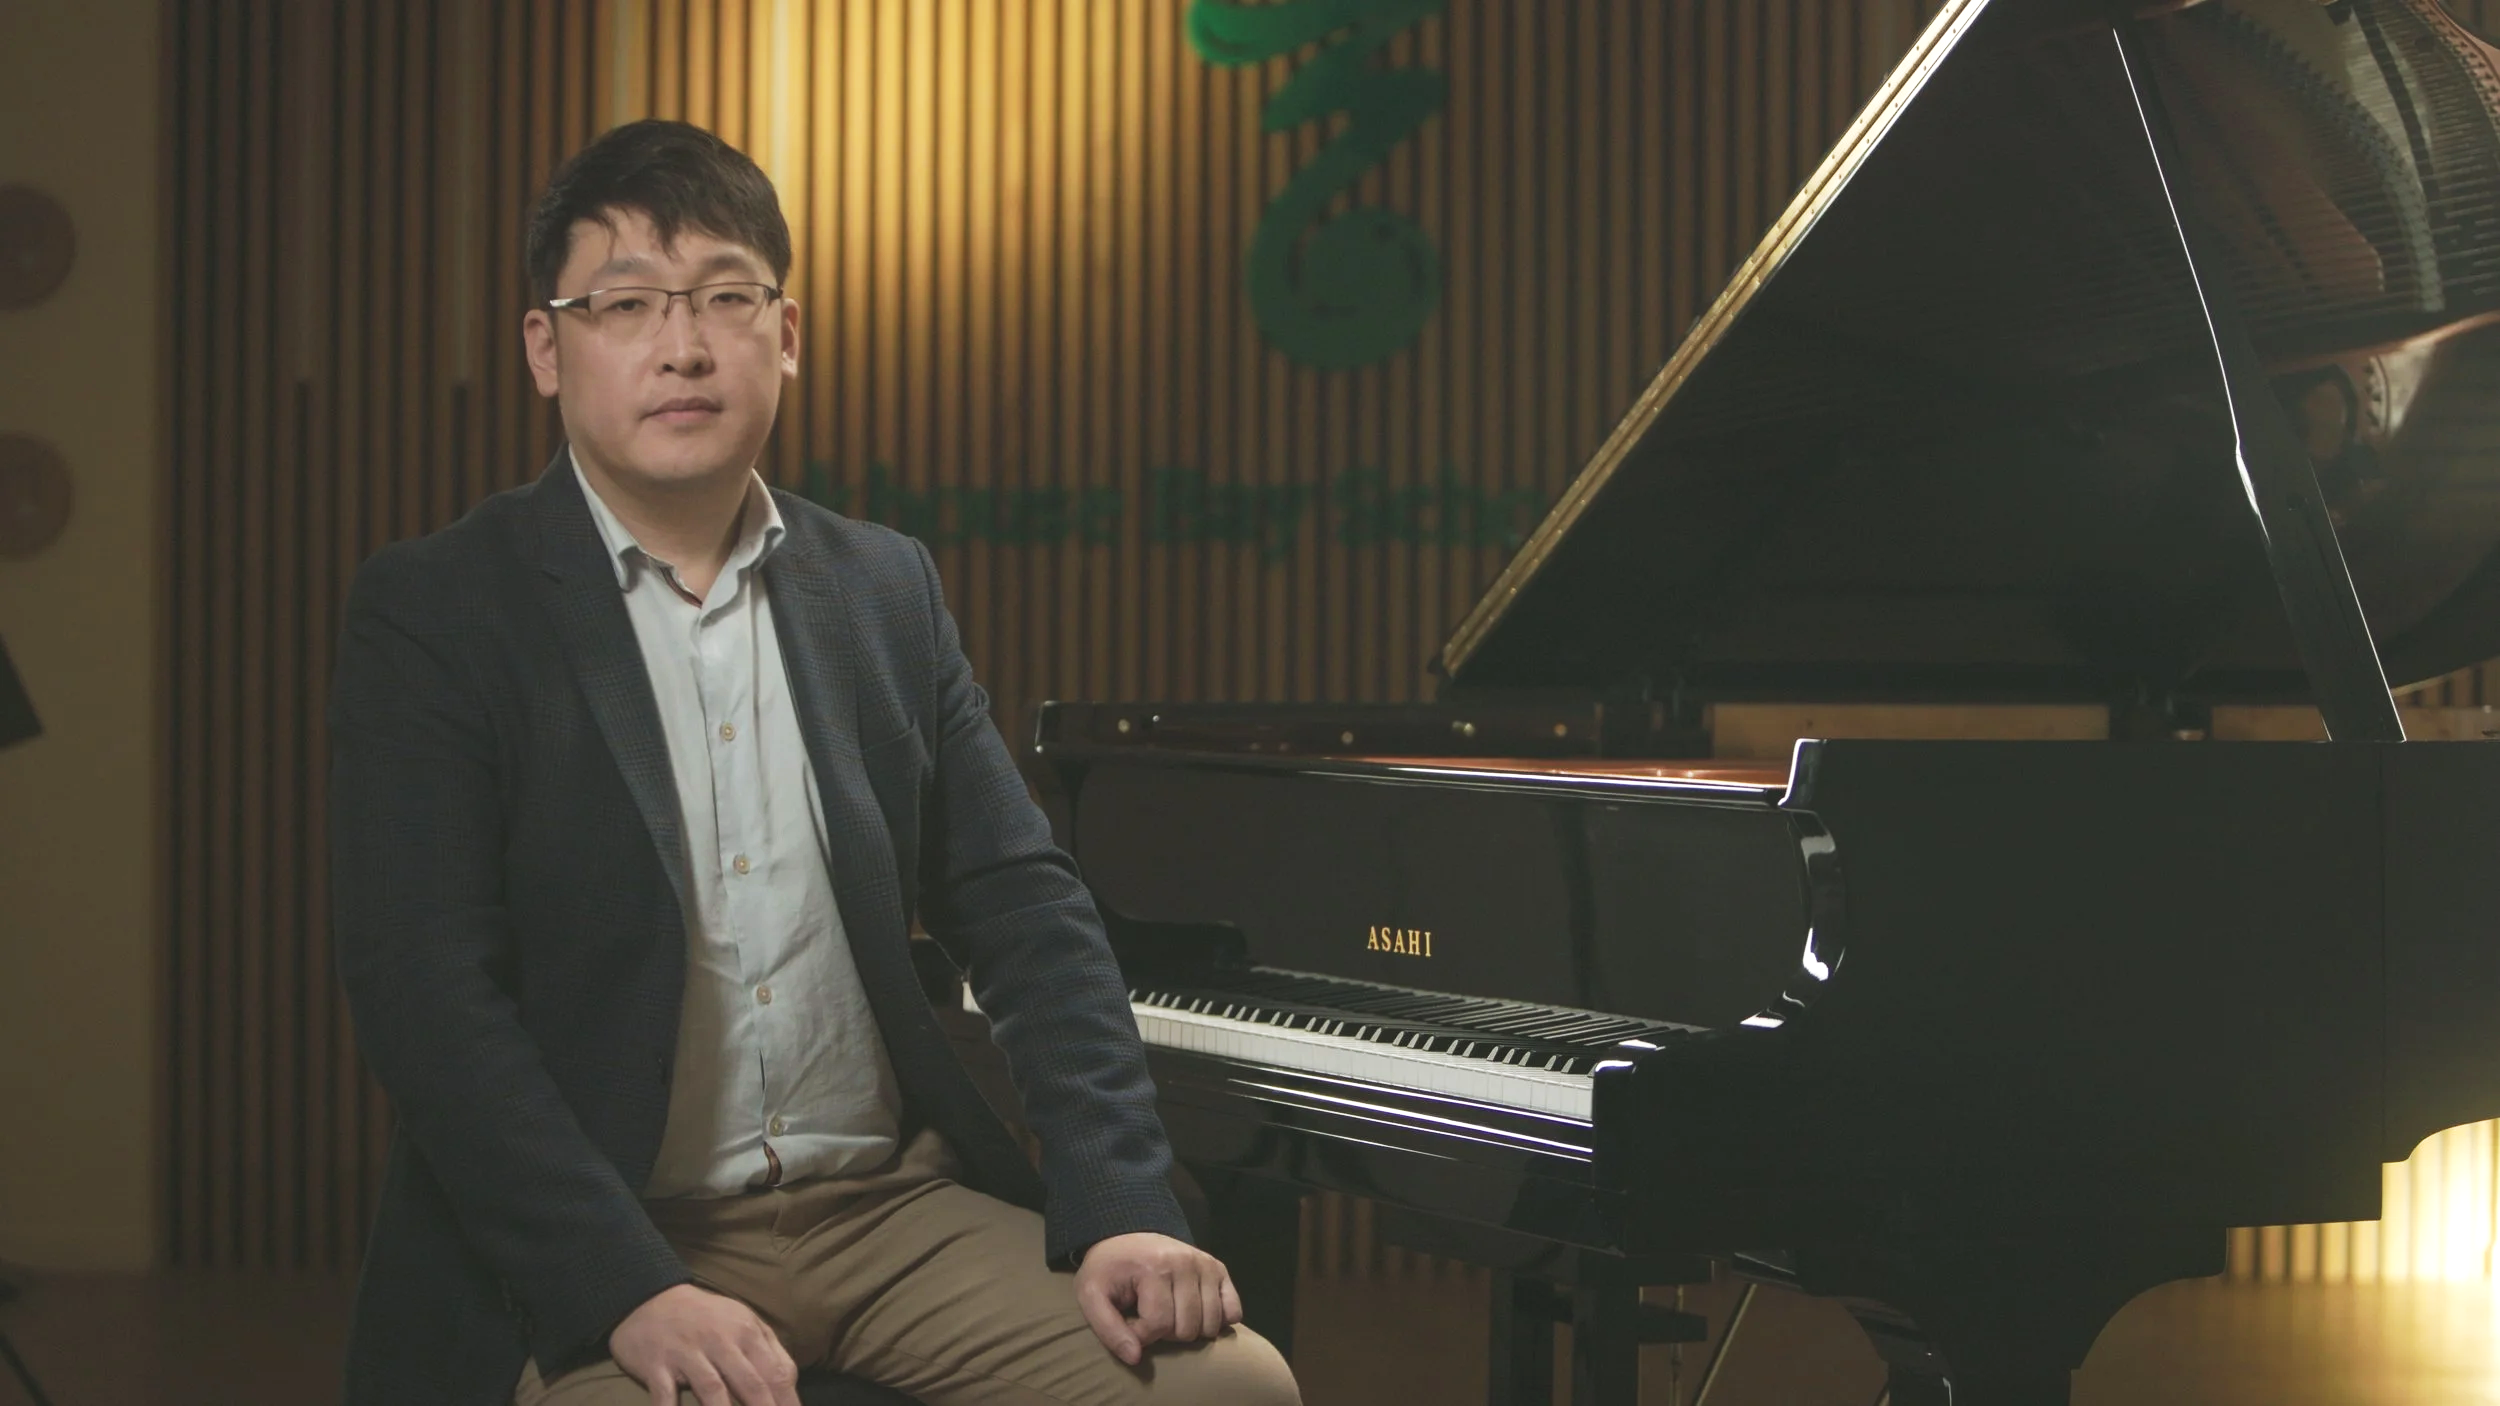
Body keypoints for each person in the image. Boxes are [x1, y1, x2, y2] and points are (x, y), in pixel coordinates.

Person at [326, 117, 1301, 1406]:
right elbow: (428, 999)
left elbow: (1025, 910)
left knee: (1230, 1390)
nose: (683, 345)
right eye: (625, 304)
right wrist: (625, 1284)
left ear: (787, 335)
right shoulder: (442, 608)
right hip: (622, 1227)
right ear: (546, 351)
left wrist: (1118, 1196)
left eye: (726, 297)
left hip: (886, 1211)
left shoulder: (880, 588)